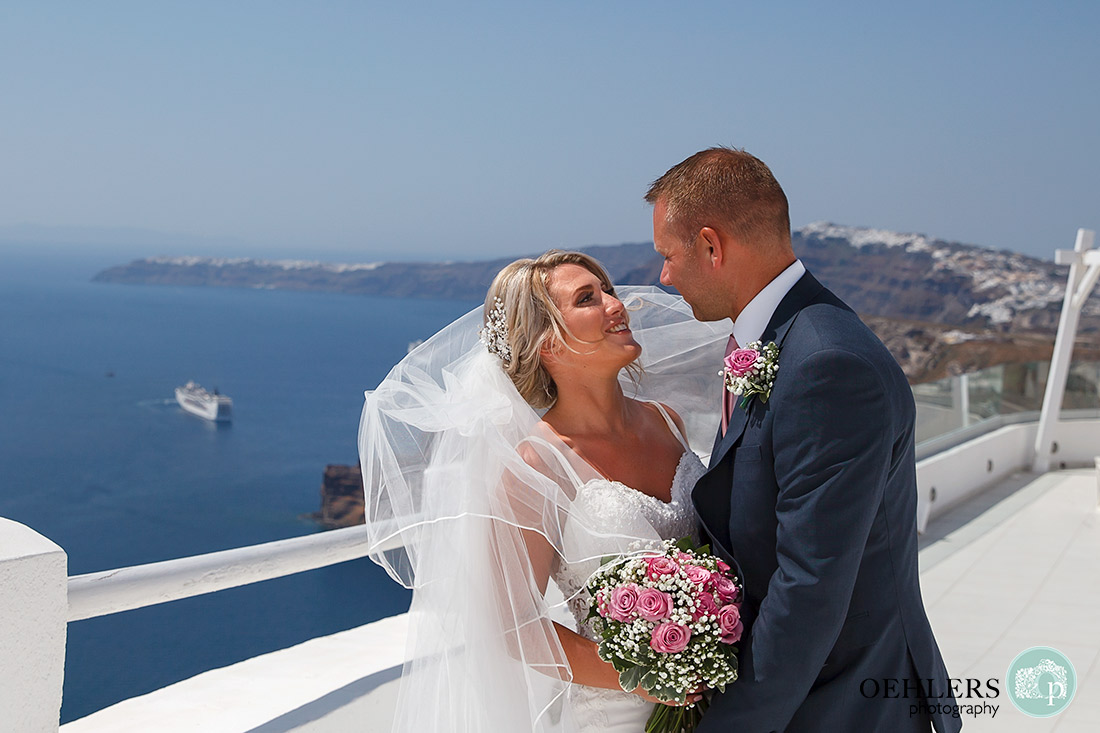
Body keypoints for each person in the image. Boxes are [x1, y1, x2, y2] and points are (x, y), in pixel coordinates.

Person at [646, 147, 961, 732]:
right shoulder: (782, 336)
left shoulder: (826, 362)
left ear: (712, 247)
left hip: (850, 706)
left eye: (668, 255)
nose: (663, 276)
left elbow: (808, 590)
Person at [359, 250, 729, 732]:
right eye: (587, 299)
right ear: (548, 345)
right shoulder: (535, 464)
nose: (617, 305)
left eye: (608, 291)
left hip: (718, 704)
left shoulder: (666, 422)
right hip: (614, 715)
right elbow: (512, 626)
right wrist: (643, 678)